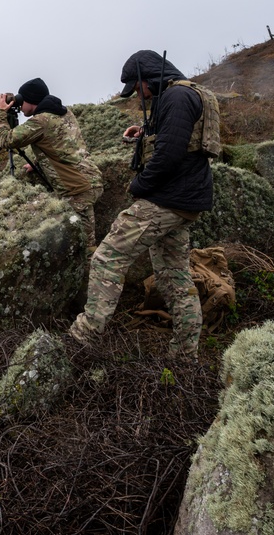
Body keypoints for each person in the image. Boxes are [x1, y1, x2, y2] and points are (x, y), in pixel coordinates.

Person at [68, 50, 219, 359]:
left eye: (137, 88)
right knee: (174, 276)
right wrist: (145, 133)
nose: (138, 94)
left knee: (107, 257)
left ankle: (83, 339)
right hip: (185, 201)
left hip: (166, 199)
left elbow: (169, 156)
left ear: (149, 78)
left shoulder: (176, 98)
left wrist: (139, 185)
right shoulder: (186, 95)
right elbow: (180, 140)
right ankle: (185, 355)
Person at [0, 78, 104, 248]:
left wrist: (0, 113)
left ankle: (95, 274)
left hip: (77, 189)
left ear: (31, 100)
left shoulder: (40, 121)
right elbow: (60, 145)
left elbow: (7, 140)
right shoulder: (63, 113)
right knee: (81, 239)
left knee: (84, 246)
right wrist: (38, 163)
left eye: (22, 100)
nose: (20, 106)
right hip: (89, 180)